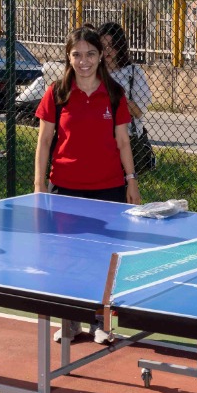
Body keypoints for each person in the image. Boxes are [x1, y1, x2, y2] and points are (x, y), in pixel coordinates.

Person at [34, 25, 143, 345]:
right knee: (66, 257)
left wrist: (131, 181)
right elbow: (44, 141)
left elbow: (124, 142)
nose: (84, 61)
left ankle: (101, 322)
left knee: (104, 259)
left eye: (90, 54)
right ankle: (70, 321)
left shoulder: (114, 93)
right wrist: (39, 184)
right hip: (65, 188)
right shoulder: (56, 92)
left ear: (101, 56)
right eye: (77, 55)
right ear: (68, 57)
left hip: (108, 189)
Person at [96, 20, 153, 172]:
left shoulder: (133, 73)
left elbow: (139, 111)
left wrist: (116, 97)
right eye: (104, 46)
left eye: (113, 46)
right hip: (97, 138)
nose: (108, 51)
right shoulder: (92, 71)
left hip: (125, 138)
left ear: (121, 46)